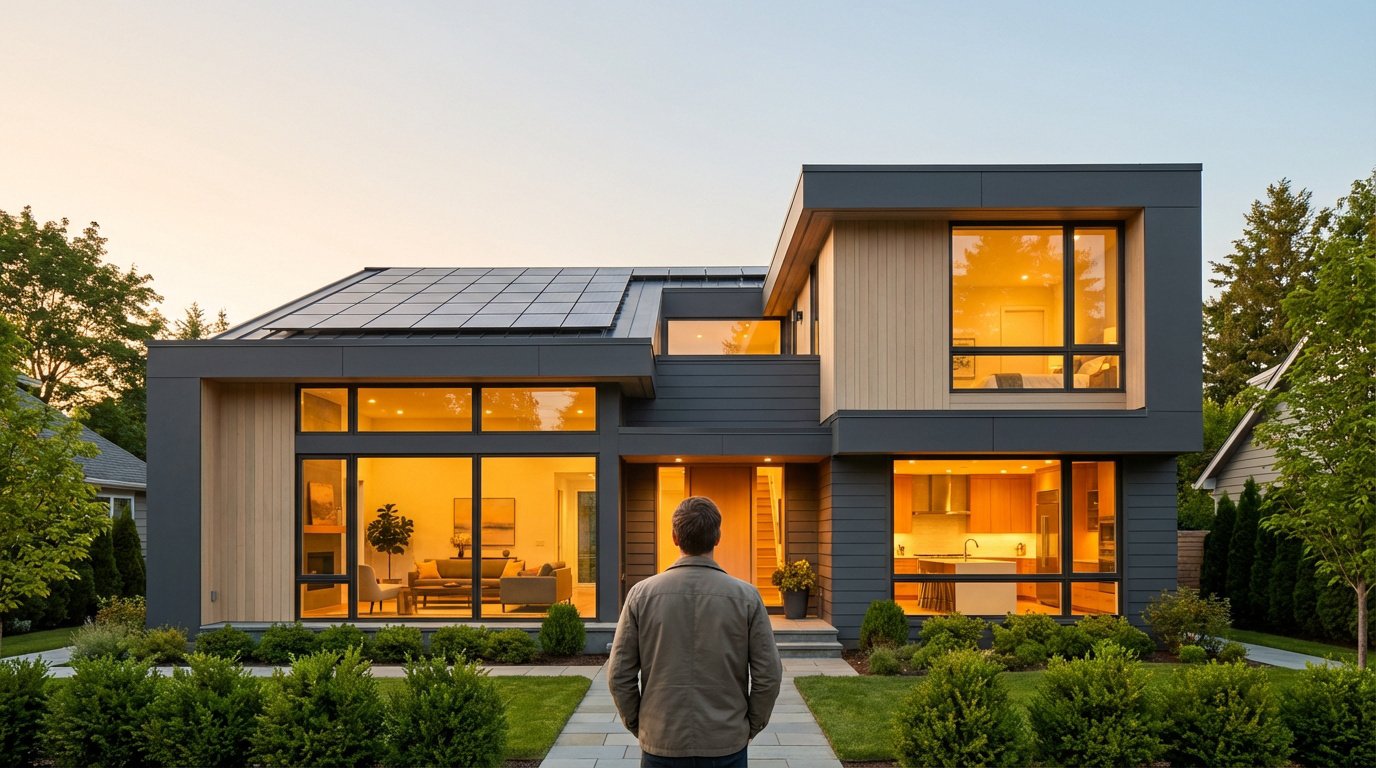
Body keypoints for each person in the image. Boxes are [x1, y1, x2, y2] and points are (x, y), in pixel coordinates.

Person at [609, 495, 782, 768]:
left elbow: (619, 674)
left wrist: (640, 724)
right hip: (725, 742)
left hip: (662, 740)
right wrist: (749, 726)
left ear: (674, 537)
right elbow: (768, 675)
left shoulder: (641, 595)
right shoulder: (747, 597)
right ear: (718, 537)